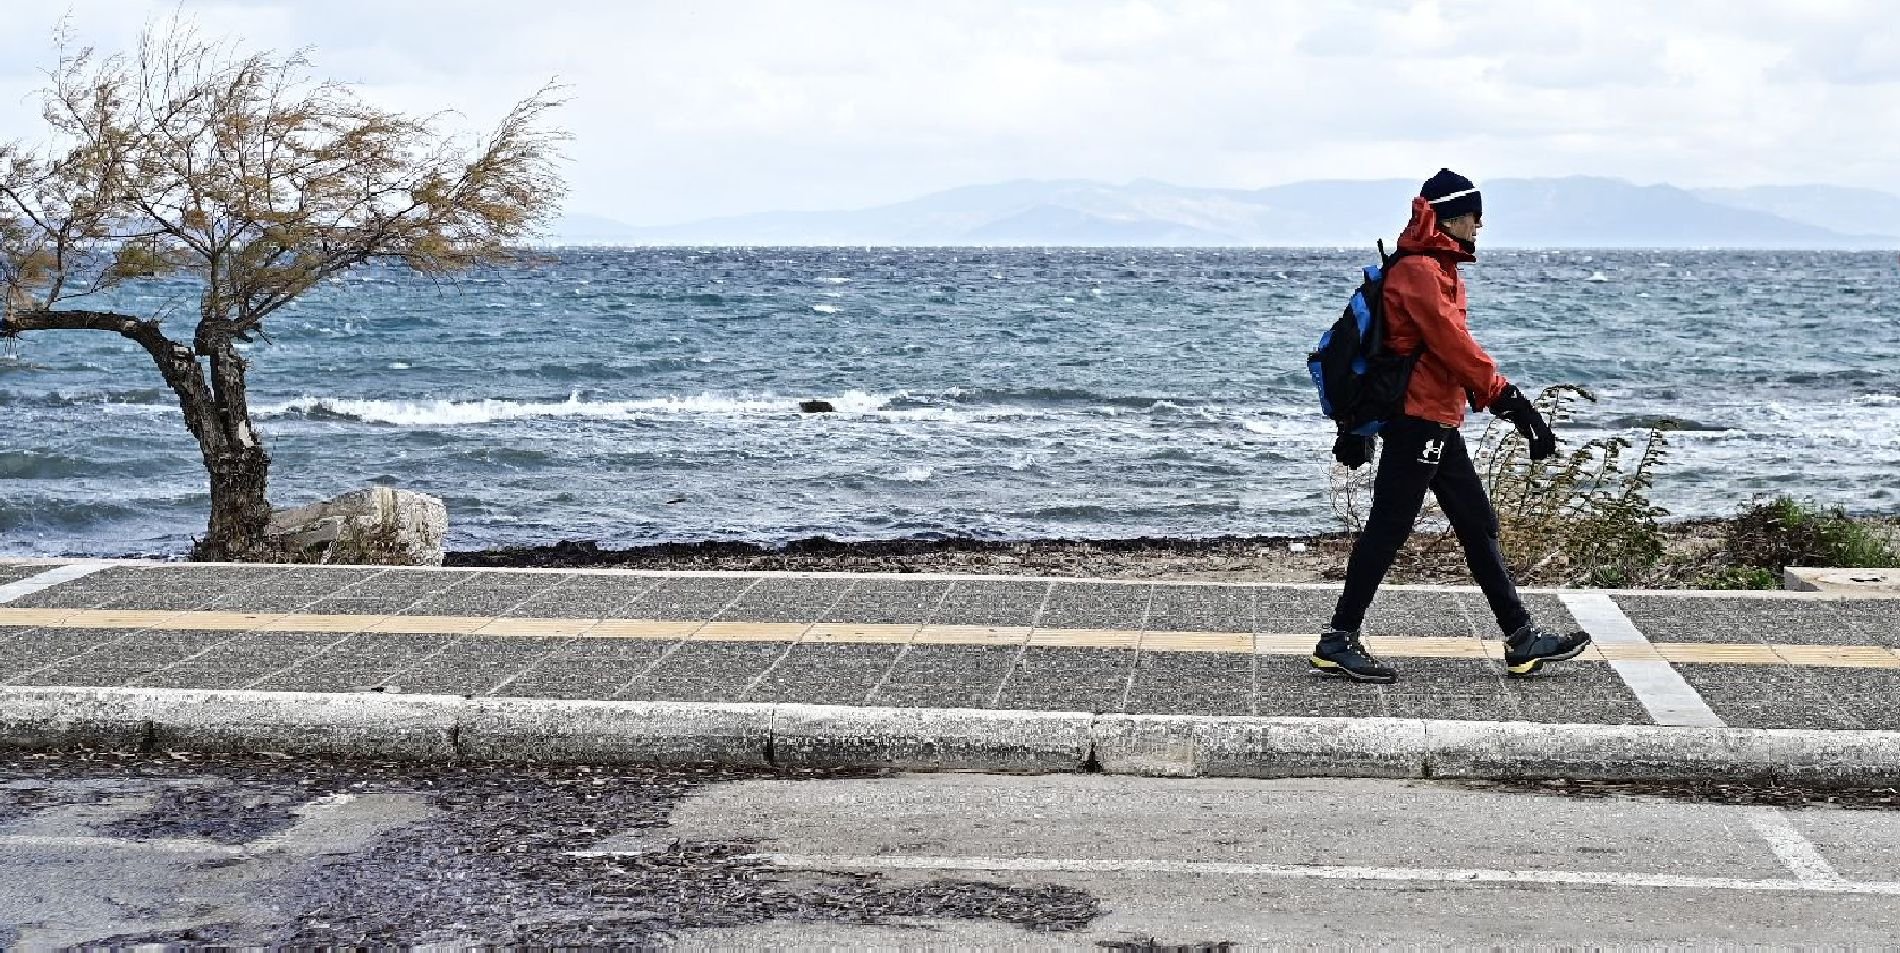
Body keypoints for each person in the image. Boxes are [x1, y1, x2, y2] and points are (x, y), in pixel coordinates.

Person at [1311, 168, 1592, 684]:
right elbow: (1452, 346)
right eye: (1474, 216)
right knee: (1389, 528)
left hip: (1437, 418)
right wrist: (1510, 401)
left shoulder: (1435, 267)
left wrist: (1504, 402)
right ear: (1450, 217)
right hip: (1418, 420)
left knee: (1477, 523)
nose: (1480, 225)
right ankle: (1338, 639)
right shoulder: (1419, 271)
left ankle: (1521, 638)